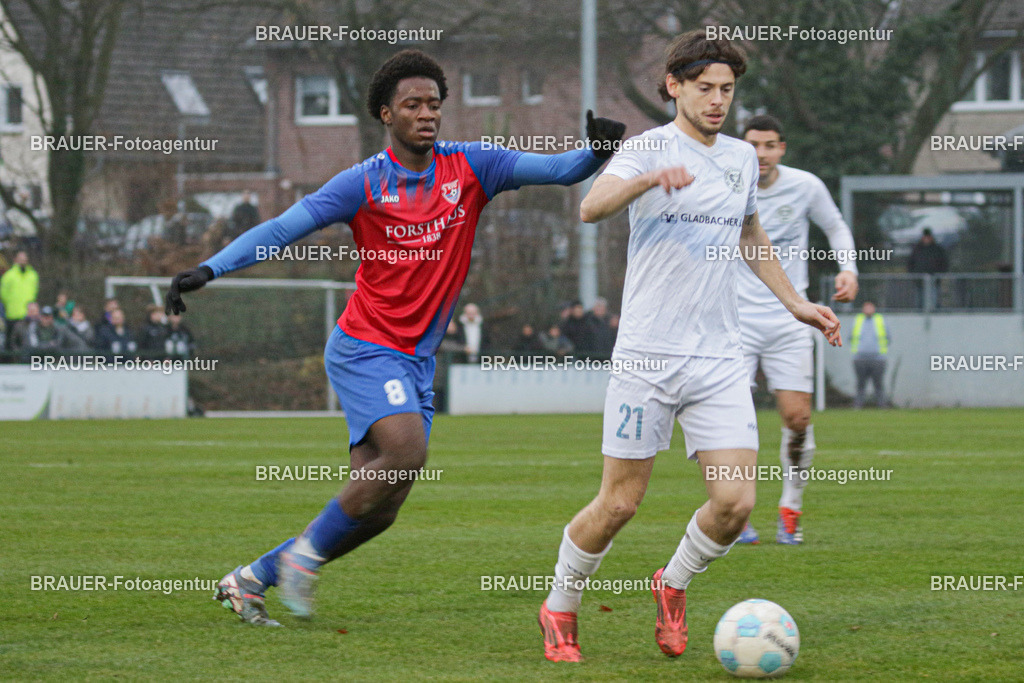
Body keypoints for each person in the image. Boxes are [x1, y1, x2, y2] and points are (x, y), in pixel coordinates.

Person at [164, 49, 625, 627]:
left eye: (434, 104)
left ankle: (252, 578)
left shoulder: (473, 168)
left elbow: (559, 171)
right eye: (413, 104)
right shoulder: (361, 183)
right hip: (364, 346)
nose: (427, 113)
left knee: (379, 510)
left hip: (414, 362)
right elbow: (284, 229)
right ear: (387, 113)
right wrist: (209, 269)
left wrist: (598, 151)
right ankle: (305, 559)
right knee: (407, 452)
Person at [536, 29, 841, 663]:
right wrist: (648, 180)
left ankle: (671, 584)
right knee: (620, 502)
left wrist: (795, 303)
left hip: (718, 360)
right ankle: (560, 606)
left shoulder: (737, 158)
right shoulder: (646, 148)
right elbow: (591, 207)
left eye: (727, 90)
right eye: (705, 88)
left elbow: (750, 234)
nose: (717, 101)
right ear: (674, 86)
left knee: (734, 503)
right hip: (647, 358)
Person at [735, 114, 859, 547]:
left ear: (782, 148)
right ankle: (734, 511)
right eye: (753, 144)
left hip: (792, 318)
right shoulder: (726, 182)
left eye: (770, 145)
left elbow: (836, 227)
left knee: (798, 417)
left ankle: (790, 508)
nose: (761, 154)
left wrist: (848, 269)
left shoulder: (805, 186)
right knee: (731, 421)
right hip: (735, 320)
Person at [851, 301, 889, 408]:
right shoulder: (857, 320)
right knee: (860, 384)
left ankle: (882, 406)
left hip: (878, 359)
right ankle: (857, 407)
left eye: (870, 307)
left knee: (879, 384)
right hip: (859, 358)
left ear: (874, 308)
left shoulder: (880, 320)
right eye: (866, 307)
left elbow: (888, 337)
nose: (868, 310)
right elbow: (851, 337)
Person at [1, 250, 39, 348]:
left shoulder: (32, 275)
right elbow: (3, 294)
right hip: (12, 315)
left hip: (28, 315)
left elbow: (34, 292)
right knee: (10, 341)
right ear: (15, 260)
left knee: (27, 340)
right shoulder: (8, 276)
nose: (23, 261)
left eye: (24, 259)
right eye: (21, 259)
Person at [907, 228, 948, 310]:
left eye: (928, 237)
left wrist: (939, 274)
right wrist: (914, 274)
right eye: (925, 237)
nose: (926, 239)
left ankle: (935, 312)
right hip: (919, 279)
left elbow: (944, 263)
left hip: (934, 279)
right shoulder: (917, 249)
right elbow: (910, 263)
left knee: (934, 297)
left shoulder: (937, 249)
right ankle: (919, 313)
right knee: (919, 299)